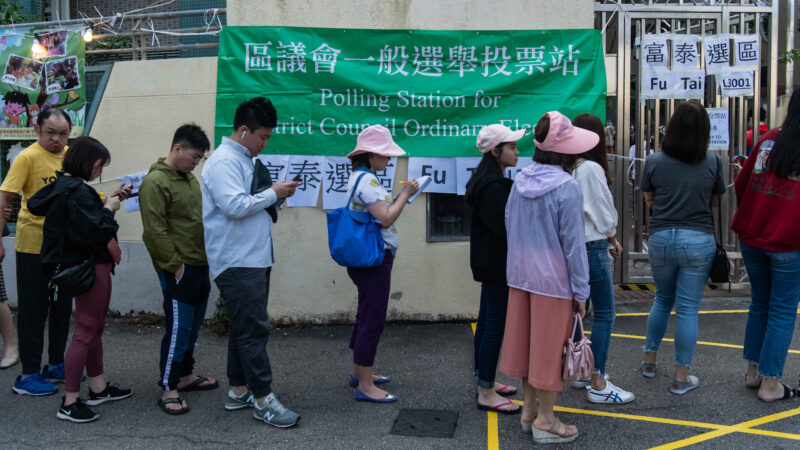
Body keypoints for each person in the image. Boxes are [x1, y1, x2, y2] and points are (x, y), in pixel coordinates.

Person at [201, 97, 300, 428]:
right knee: (254, 330)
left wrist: (276, 197)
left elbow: (250, 205)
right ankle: (263, 399)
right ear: (244, 131)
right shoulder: (222, 162)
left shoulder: (244, 160)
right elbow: (234, 206)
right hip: (237, 261)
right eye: (263, 137)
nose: (265, 143)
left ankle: (239, 390)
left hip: (252, 258)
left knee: (244, 329)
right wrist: (273, 193)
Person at [499, 111, 591, 444]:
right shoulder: (567, 188)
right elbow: (574, 247)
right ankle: (547, 421)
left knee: (526, 347)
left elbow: (510, 225)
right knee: (550, 351)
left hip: (520, 276)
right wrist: (581, 291)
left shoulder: (521, 180)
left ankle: (528, 411)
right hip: (553, 282)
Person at [28, 136, 133, 423]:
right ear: (86, 161)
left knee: (95, 327)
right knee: (87, 330)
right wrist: (110, 208)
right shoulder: (76, 191)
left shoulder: (64, 188)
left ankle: (98, 387)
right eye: (100, 164)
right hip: (89, 266)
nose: (100, 170)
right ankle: (70, 400)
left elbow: (80, 221)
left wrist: (108, 202)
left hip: (87, 265)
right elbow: (96, 230)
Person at [639, 100, 725, 395]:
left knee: (662, 300)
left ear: (672, 128)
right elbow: (715, 202)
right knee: (688, 309)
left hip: (662, 237)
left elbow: (649, 199)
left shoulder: (653, 161)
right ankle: (681, 376)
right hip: (698, 240)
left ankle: (649, 362)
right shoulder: (713, 162)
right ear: (704, 132)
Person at [139, 124, 218, 415]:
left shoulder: (188, 179)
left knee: (193, 327)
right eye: (194, 156)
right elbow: (154, 232)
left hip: (199, 264)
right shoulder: (156, 182)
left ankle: (186, 375)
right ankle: (169, 386)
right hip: (179, 268)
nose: (196, 163)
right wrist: (176, 267)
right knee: (178, 329)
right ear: (177, 149)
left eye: (200, 158)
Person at [732, 88, 800, 402]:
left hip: (752, 235)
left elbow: (742, 183)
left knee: (760, 303)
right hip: (788, 242)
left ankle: (753, 372)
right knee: (783, 310)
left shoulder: (769, 139)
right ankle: (771, 384)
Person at [0, 108, 74, 396]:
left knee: (61, 307)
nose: (57, 139)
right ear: (37, 130)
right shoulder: (27, 157)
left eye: (63, 134)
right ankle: (28, 374)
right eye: (50, 133)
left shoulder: (69, 156)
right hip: (33, 245)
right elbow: (5, 196)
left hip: (64, 246)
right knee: (34, 310)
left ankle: (56, 364)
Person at [344, 125, 418, 403]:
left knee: (365, 314)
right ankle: (365, 384)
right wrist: (405, 193)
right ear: (372, 155)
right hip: (375, 258)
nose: (389, 160)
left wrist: (401, 197)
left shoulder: (357, 177)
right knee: (372, 319)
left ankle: (359, 372)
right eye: (386, 155)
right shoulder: (369, 181)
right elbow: (385, 218)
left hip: (364, 258)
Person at [564, 113, 634, 404]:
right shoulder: (591, 168)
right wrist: (612, 236)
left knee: (582, 313)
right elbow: (604, 216)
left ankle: (583, 372)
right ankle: (598, 380)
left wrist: (611, 239)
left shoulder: (572, 169)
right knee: (605, 314)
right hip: (593, 248)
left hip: (580, 248)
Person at [465, 124, 523, 414]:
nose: (517, 151)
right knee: (493, 327)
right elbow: (505, 229)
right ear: (496, 151)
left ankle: (483, 379)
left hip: (490, 265)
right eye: (512, 147)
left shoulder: (490, 181)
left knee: (487, 322)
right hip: (497, 266)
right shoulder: (491, 187)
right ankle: (486, 390)